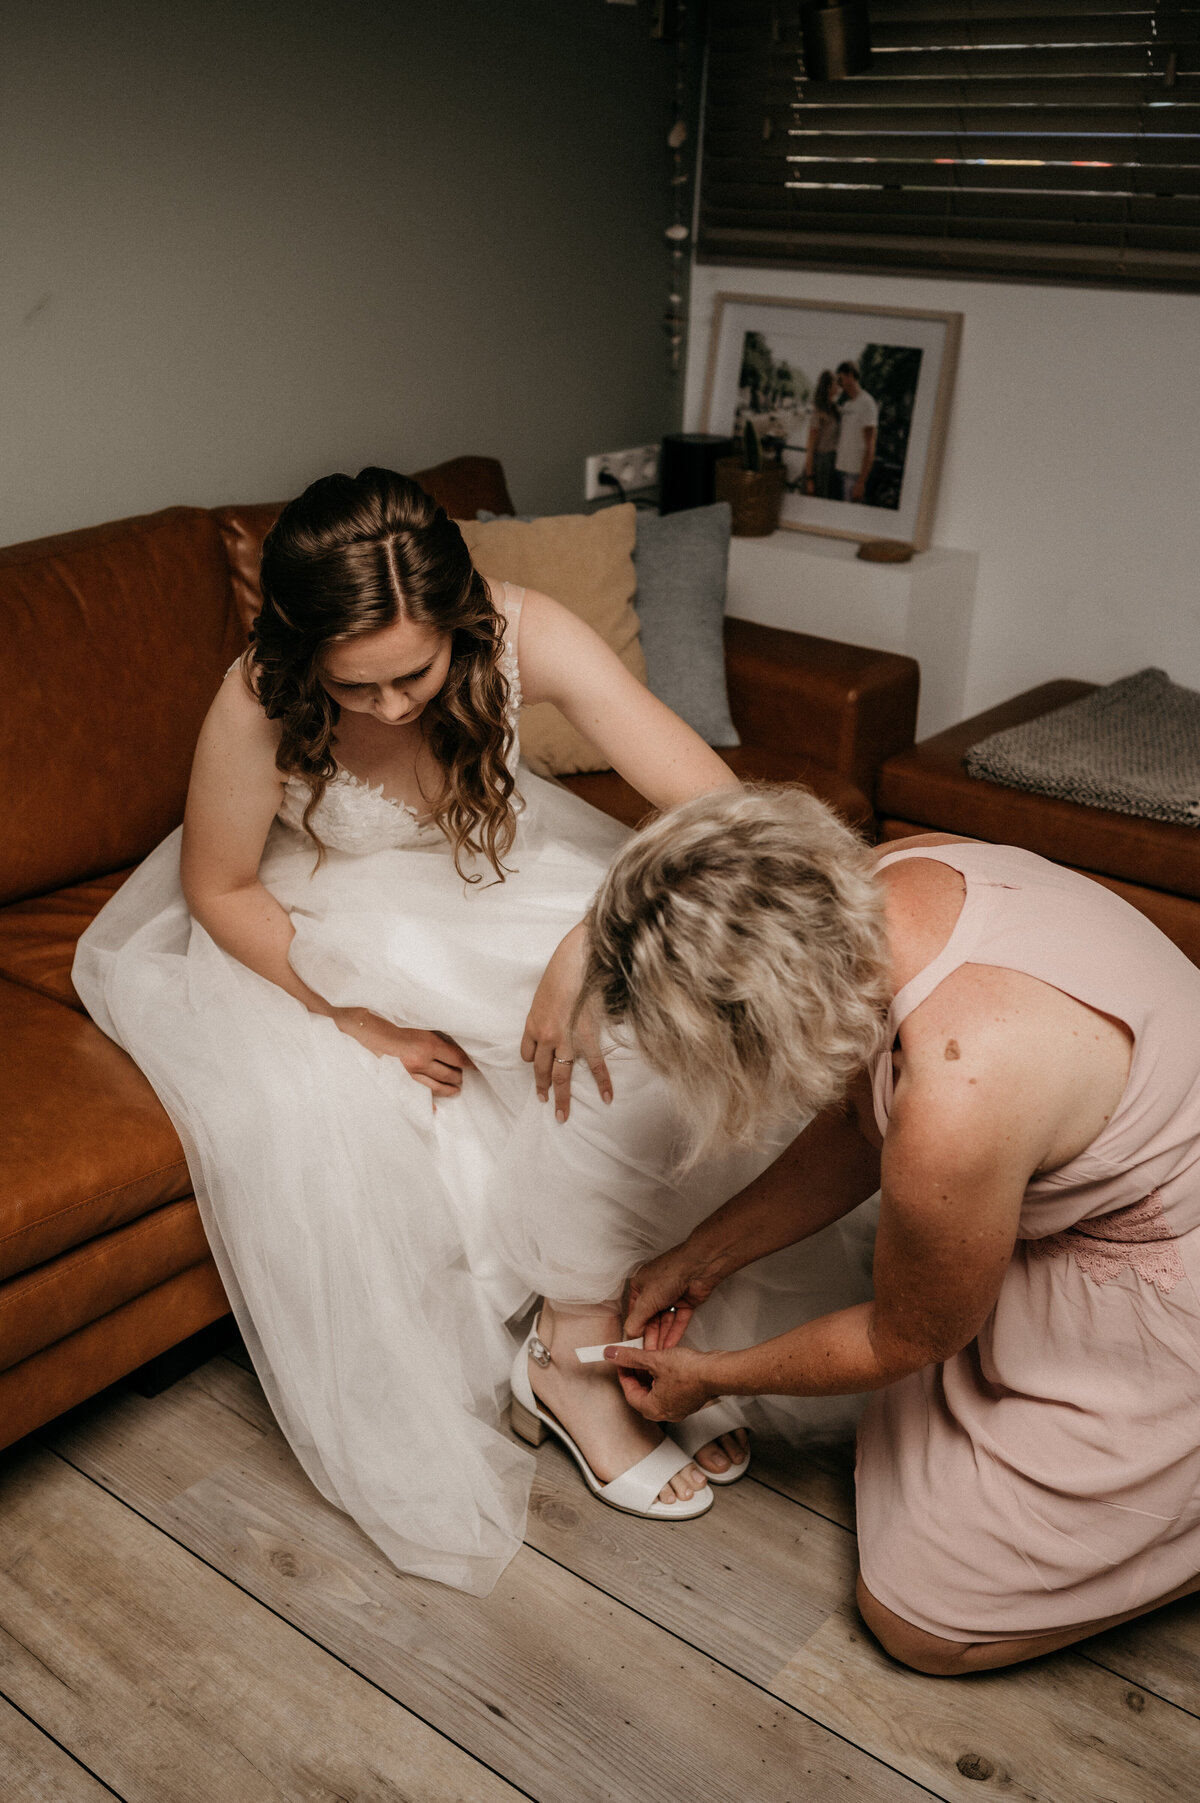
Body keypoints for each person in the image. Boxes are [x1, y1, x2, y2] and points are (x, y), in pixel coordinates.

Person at [73, 470, 871, 1595]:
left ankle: (630, 1321)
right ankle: (570, 1362)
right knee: (590, 1065)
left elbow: (712, 800)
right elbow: (221, 887)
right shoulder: (258, 693)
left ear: (460, 623)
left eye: (418, 672)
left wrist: (594, 937)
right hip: (332, 915)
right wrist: (354, 1016)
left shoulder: (521, 630)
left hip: (509, 873)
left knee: (672, 1012)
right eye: (359, 686)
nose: (394, 708)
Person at [580, 786, 1200, 1672]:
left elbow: (905, 1333)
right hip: (1018, 1185)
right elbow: (864, 1121)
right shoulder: (883, 882)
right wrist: (700, 1253)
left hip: (1164, 1286)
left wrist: (707, 1378)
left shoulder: (957, 1094)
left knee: (923, 1624)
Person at [833, 360, 877, 504]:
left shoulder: (867, 403)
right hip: (840, 470)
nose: (839, 383)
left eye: (841, 379)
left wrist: (861, 482)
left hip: (854, 475)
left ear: (851, 375)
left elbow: (870, 444)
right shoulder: (847, 405)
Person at [802, 370, 840, 499]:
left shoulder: (835, 409)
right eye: (835, 383)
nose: (838, 386)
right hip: (820, 466)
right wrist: (809, 478)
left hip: (831, 464)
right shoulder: (818, 412)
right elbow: (811, 448)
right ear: (828, 387)